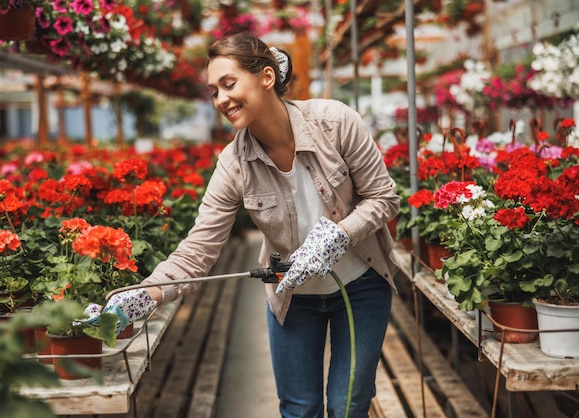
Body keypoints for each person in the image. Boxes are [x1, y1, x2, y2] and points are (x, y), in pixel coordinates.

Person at [103, 32, 401, 418]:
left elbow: (384, 198)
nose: (221, 99)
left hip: (361, 288)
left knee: (348, 406)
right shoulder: (233, 165)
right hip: (292, 300)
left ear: (265, 76)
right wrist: (143, 296)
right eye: (214, 92)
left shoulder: (335, 122)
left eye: (229, 84)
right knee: (299, 409)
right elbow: (198, 251)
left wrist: (339, 235)